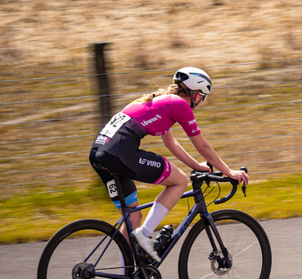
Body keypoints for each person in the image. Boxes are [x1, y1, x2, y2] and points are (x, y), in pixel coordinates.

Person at [89, 67, 248, 261]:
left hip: (100, 154)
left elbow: (171, 144)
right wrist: (229, 172)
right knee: (179, 181)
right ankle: (145, 234)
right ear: (195, 94)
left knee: (132, 217)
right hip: (121, 153)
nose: (201, 102)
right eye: (202, 97)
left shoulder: (163, 103)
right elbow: (203, 147)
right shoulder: (179, 105)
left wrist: (197, 167)